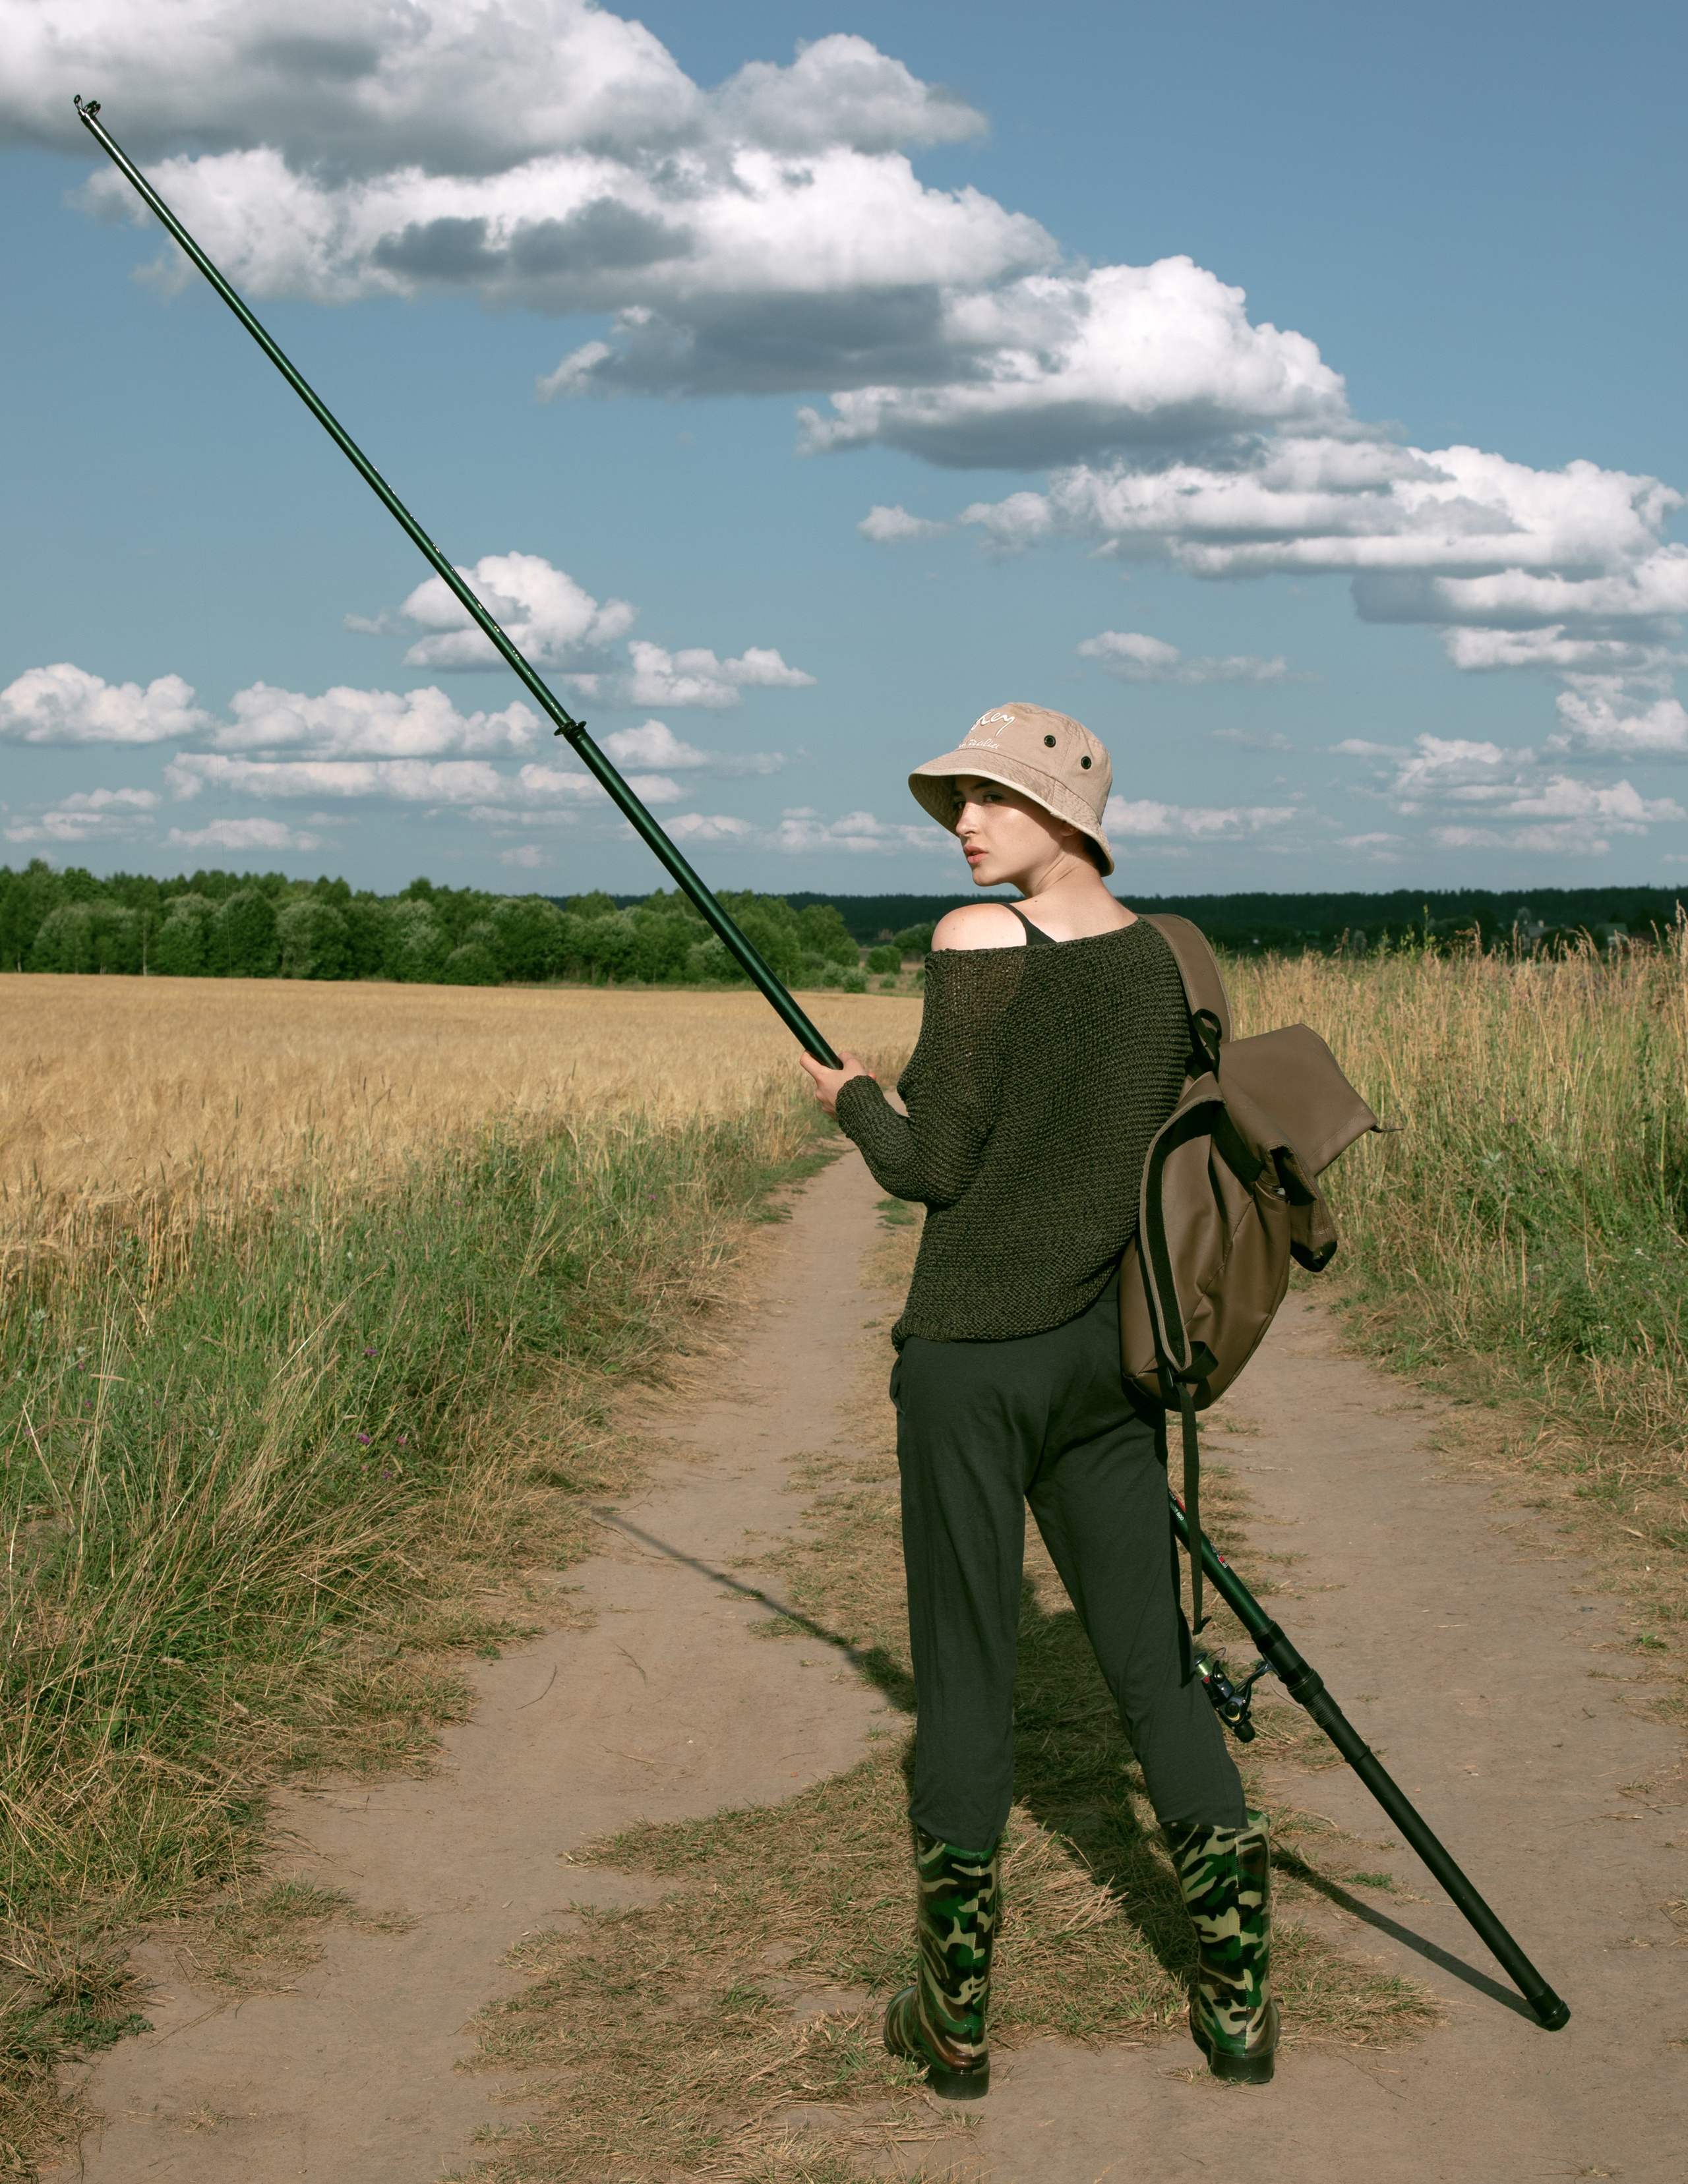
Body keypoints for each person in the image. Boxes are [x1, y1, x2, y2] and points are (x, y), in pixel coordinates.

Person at [800, 702, 1277, 2100]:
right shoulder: (1168, 961)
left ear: (1063, 814)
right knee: (1150, 1665)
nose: (962, 822)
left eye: (988, 798)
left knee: (963, 1672)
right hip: (1102, 1357)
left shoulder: (974, 945)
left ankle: (951, 2026)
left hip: (967, 1362)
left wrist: (849, 1098)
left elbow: (932, 1165)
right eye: (956, 797)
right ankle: (1237, 2003)